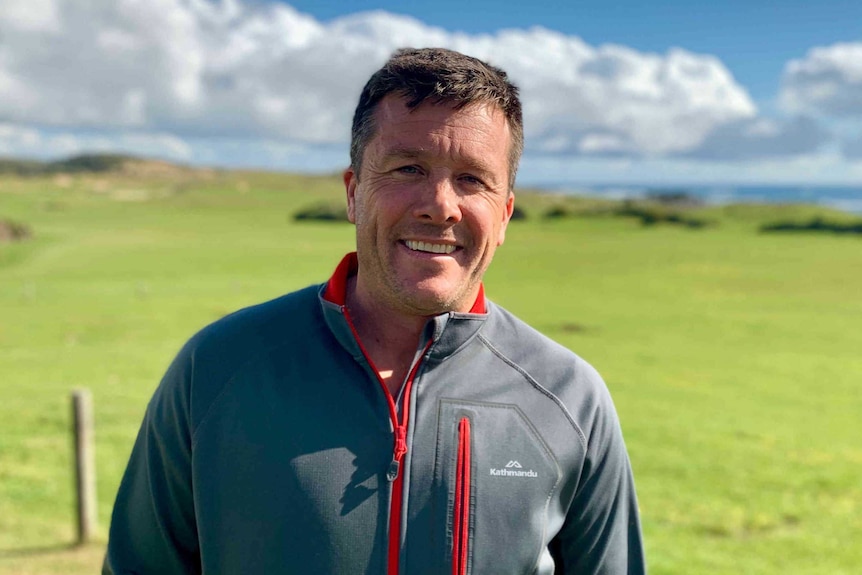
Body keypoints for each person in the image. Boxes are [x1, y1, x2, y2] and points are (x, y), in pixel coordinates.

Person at [103, 47, 645, 575]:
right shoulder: (218, 368)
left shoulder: (569, 397)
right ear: (354, 191)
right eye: (408, 168)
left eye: (472, 179)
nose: (440, 204)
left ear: (504, 215)